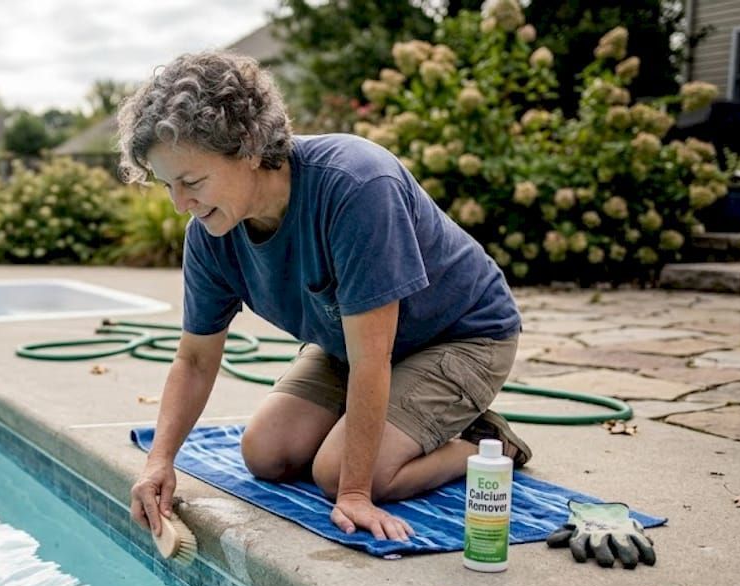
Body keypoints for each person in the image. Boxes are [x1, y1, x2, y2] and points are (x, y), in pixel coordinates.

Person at [119, 51, 528, 543]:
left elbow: (372, 358)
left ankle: (483, 445)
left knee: (339, 474)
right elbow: (195, 360)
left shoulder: (356, 184)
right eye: (168, 185)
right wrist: (158, 461)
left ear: (247, 148)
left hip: (460, 336)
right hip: (349, 343)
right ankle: (406, 426)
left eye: (192, 182)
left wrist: (354, 492)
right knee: (266, 454)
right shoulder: (209, 233)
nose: (180, 203)